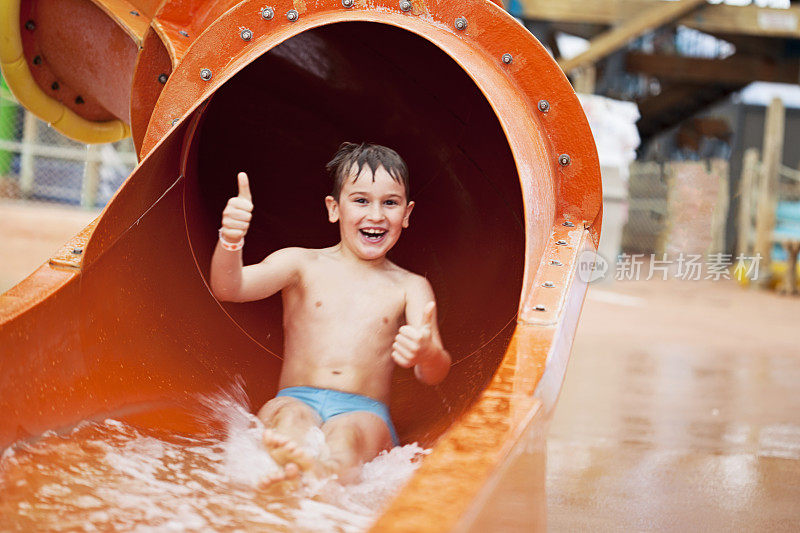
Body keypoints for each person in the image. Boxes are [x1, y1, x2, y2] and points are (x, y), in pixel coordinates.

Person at [209, 142, 451, 484]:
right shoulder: (300, 263)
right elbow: (229, 288)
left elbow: (435, 373)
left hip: (365, 411)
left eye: (390, 203)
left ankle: (323, 472)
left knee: (347, 438)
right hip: (295, 396)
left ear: (407, 214)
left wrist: (426, 352)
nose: (376, 215)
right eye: (361, 200)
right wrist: (230, 239)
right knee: (289, 420)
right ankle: (291, 465)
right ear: (333, 208)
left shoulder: (410, 286)